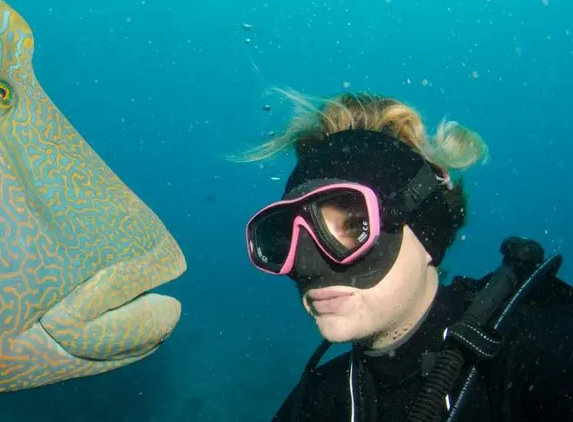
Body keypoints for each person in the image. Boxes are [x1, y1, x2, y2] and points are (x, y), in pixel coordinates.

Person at [236, 90, 573, 422]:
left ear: (429, 234)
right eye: (286, 237)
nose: (308, 264)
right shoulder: (316, 403)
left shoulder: (543, 349)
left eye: (355, 225)